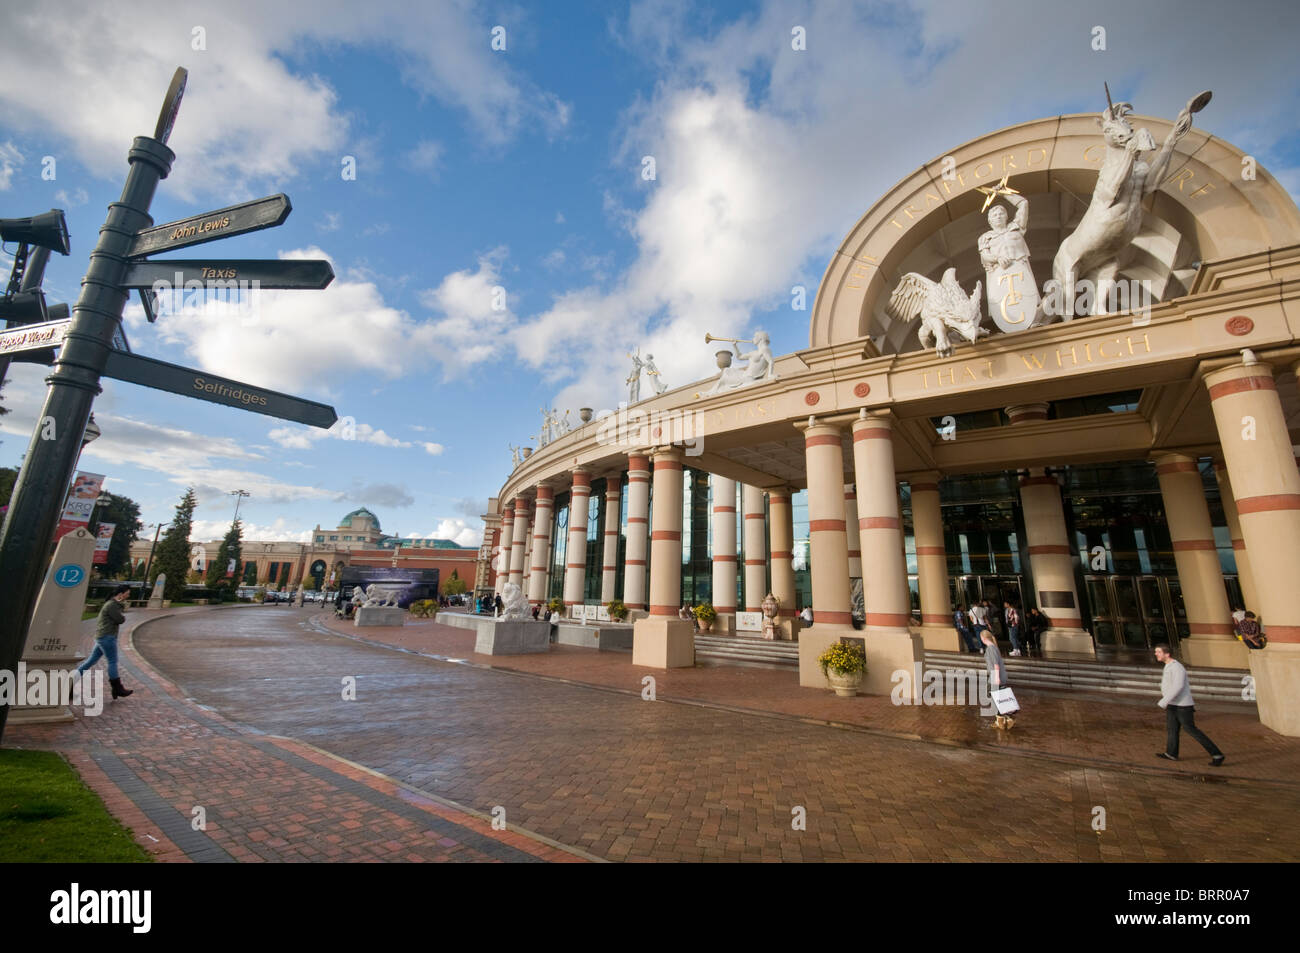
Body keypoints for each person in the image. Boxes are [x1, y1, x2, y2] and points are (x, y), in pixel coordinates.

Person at [1154, 644, 1224, 766]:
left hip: (1182, 706)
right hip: (1172, 705)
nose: (1156, 654)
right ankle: (1171, 753)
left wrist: (1164, 701)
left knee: (1191, 730)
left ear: (1167, 654)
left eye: (1158, 652)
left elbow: (1178, 686)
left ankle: (1217, 754)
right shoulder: (1168, 666)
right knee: (1172, 729)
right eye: (1156, 652)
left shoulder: (1177, 667)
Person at [75, 584, 133, 699]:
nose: (128, 595)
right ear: (121, 594)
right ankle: (117, 688)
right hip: (107, 637)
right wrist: (121, 608)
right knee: (112, 661)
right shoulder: (112, 605)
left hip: (102, 637)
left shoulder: (112, 604)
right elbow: (120, 619)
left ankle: (70, 683)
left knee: (91, 661)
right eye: (127, 592)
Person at [981, 628, 1017, 729]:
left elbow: (995, 665)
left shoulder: (990, 649)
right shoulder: (994, 647)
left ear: (983, 638)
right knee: (998, 698)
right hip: (997, 676)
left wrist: (996, 678)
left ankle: (1005, 719)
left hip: (995, 677)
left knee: (995, 698)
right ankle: (1002, 719)